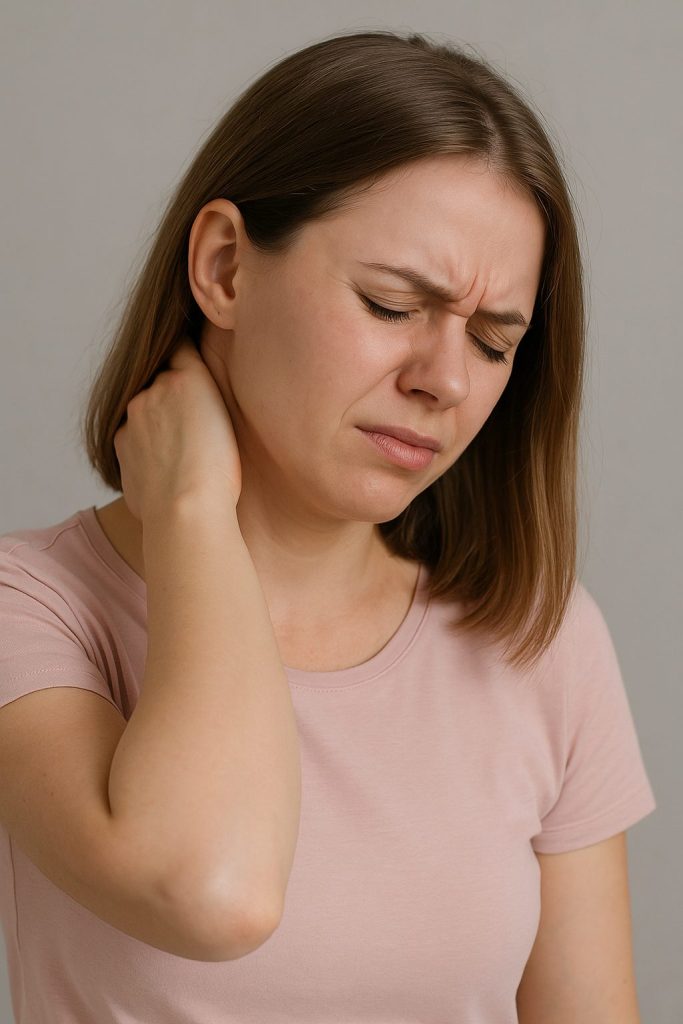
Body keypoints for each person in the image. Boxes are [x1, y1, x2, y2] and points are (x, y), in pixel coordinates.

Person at [0, 28, 656, 1023]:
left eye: (492, 342)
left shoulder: (539, 639)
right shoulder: (34, 612)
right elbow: (211, 890)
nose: (443, 380)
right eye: (391, 304)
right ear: (224, 266)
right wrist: (191, 514)